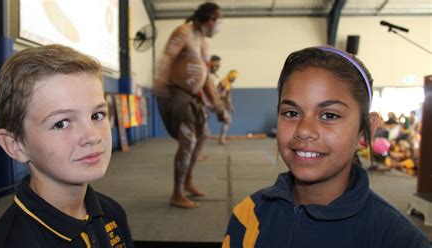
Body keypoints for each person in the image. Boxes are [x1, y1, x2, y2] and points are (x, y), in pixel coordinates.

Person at [221, 46, 430, 247]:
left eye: (329, 115)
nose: (304, 130)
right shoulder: (249, 216)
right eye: (291, 113)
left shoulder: (398, 239)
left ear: (365, 130)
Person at [0, 45, 134, 247]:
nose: (92, 136)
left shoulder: (112, 212)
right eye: (61, 123)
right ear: (15, 145)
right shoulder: (15, 242)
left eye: (97, 116)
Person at [154, 2, 223, 209]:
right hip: (175, 92)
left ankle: (188, 181)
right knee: (188, 140)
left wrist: (217, 103)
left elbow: (208, 76)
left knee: (203, 135)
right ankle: (177, 193)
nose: (219, 26)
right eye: (219, 21)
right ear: (210, 20)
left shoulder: (203, 42)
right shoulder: (184, 31)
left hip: (193, 96)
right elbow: (167, 58)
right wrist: (159, 85)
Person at [217, 70, 238, 145]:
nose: (233, 79)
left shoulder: (228, 84)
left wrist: (231, 107)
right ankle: (222, 139)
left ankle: (222, 138)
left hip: (225, 105)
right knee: (227, 121)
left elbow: (228, 97)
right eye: (233, 77)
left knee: (227, 121)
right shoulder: (224, 83)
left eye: (235, 78)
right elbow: (223, 96)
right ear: (229, 75)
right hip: (221, 104)